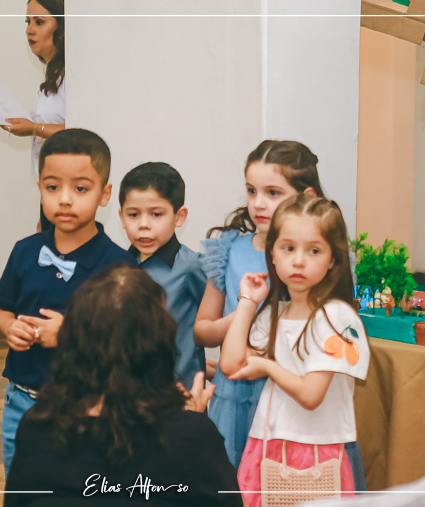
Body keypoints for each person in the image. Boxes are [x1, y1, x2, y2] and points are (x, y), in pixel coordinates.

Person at [3, 265, 242, 507]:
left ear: (74, 342)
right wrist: (191, 423)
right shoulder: (191, 437)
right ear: (157, 345)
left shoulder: (36, 427)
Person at [0, 129, 136, 477]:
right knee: (21, 486)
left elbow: (127, 341)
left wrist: (70, 334)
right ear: (39, 187)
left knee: (75, 488)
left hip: (87, 404)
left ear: (105, 194)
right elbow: (2, 311)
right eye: (52, 187)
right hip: (21, 401)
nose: (65, 200)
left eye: (81, 189)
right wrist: (10, 327)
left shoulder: (119, 266)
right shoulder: (25, 251)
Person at [221, 194, 371, 505]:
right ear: (272, 254)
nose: (299, 261)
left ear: (333, 259)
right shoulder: (275, 313)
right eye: (288, 248)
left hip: (318, 449)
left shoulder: (337, 317)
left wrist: (267, 366)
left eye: (314, 250)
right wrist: (248, 302)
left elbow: (311, 395)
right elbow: (232, 365)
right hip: (267, 445)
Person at [194, 140, 324, 468]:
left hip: (291, 393)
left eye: (273, 193)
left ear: (307, 197)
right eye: (252, 191)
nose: (258, 203)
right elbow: (203, 331)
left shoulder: (317, 259)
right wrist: (245, 312)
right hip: (235, 393)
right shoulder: (229, 249)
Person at [118, 162, 207, 389]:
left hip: (178, 393)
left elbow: (214, 322)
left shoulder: (191, 267)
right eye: (133, 214)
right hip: (126, 392)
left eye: (156, 214)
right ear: (121, 217)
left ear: (179, 216)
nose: (143, 225)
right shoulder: (117, 266)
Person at [1, 0, 66, 231]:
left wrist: (33, 128)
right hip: (51, 187)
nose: (30, 30)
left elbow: (83, 131)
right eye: (28, 21)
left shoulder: (73, 76)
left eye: (39, 22)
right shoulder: (52, 77)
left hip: (68, 190)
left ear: (61, 28)